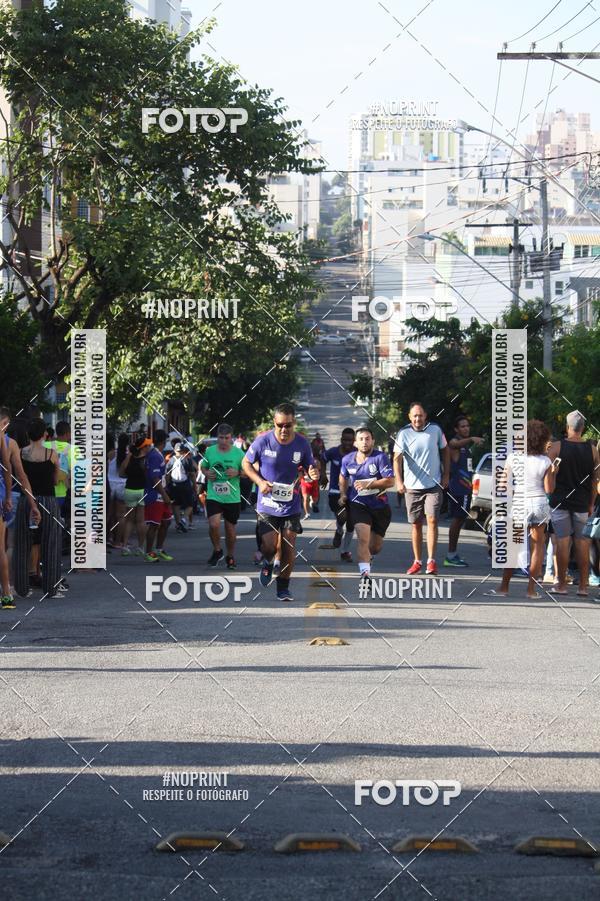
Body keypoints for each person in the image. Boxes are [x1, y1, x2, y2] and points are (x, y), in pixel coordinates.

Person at [242, 403, 318, 602]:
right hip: (267, 503)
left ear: (294, 423)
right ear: (274, 423)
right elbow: (245, 463)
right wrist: (259, 482)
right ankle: (267, 562)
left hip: (291, 504)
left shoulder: (302, 444)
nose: (284, 429)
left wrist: (312, 474)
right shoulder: (262, 441)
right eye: (280, 425)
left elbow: (309, 468)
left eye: (288, 425)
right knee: (268, 546)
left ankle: (283, 587)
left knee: (288, 544)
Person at [485, 420, 559, 599]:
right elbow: (549, 490)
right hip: (540, 503)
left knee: (513, 547)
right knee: (537, 547)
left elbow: (503, 485)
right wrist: (554, 472)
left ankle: (504, 588)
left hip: (520, 503)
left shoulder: (513, 458)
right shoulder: (546, 461)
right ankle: (531, 590)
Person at [547, 411, 600, 596]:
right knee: (582, 542)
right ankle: (583, 587)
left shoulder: (556, 447)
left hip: (559, 502)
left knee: (562, 542)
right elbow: (595, 480)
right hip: (582, 503)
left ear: (567, 427)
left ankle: (561, 585)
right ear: (583, 428)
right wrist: (591, 503)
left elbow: (547, 475)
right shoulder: (592, 450)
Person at [394, 402, 449, 576]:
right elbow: (396, 459)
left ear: (425, 415)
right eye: (414, 416)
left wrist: (446, 475)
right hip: (412, 487)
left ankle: (431, 561)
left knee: (432, 520)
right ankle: (417, 561)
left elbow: (445, 451)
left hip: (433, 485)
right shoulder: (403, 433)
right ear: (409, 417)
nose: (418, 418)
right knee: (416, 524)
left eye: (420, 415)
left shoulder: (435, 430)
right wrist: (399, 481)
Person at [13, 419, 64, 598]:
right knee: (51, 542)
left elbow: (17, 476)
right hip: (49, 500)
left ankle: (21, 588)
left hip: (26, 500)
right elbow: (56, 479)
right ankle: (51, 588)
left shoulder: (19, 453)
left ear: (28, 434)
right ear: (45, 434)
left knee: (22, 542)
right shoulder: (51, 454)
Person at [338, 427, 394, 581]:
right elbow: (343, 478)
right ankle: (365, 574)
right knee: (363, 538)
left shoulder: (380, 457)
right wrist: (343, 494)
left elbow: (390, 481)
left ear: (373, 441)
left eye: (368, 438)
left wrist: (368, 484)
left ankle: (369, 558)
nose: (364, 442)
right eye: (361, 439)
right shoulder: (347, 460)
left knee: (374, 547)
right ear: (356, 442)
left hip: (380, 507)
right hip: (358, 504)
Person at [0, 408, 41, 606]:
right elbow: (18, 475)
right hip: (3, 497)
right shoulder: (9, 443)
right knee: (4, 546)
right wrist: (31, 504)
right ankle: (7, 592)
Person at [200, 424, 246, 568]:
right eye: (221, 438)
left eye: (226, 438)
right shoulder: (210, 451)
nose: (223, 441)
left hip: (232, 497)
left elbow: (248, 472)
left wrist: (238, 473)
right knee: (213, 524)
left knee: (230, 529)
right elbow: (203, 466)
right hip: (214, 495)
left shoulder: (239, 454)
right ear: (217, 437)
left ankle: (230, 555)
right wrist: (206, 473)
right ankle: (217, 550)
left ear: (231, 438)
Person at [444, 415, 484, 567]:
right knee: (457, 520)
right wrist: (472, 438)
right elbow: (452, 444)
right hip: (458, 489)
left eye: (467, 425)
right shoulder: (455, 443)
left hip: (465, 488)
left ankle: (452, 554)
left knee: (459, 520)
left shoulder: (465, 447)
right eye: (462, 426)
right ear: (456, 429)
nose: (466, 428)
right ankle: (450, 555)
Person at [321, 427, 356, 561]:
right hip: (335, 492)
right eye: (345, 440)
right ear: (341, 439)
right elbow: (323, 459)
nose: (347, 443)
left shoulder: (357, 453)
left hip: (353, 493)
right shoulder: (333, 452)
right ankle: (339, 530)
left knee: (352, 523)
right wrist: (323, 475)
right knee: (342, 517)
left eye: (350, 440)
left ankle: (345, 551)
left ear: (354, 441)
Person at [143, 430, 173, 562]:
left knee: (166, 521)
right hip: (156, 494)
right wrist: (164, 494)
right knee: (154, 524)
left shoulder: (159, 454)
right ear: (163, 441)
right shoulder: (155, 455)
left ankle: (159, 549)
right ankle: (149, 553)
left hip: (162, 493)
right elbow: (155, 478)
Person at [119, 437, 151, 556]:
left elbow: (121, 473)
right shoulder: (147, 460)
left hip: (129, 490)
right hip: (142, 491)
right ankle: (140, 547)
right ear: (143, 447)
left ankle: (125, 546)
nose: (149, 447)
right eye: (148, 445)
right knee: (141, 521)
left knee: (129, 520)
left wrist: (129, 456)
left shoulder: (130, 458)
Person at [167, 440, 197, 533]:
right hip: (185, 484)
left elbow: (167, 474)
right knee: (190, 504)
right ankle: (183, 519)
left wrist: (168, 485)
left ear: (175, 450)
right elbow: (192, 474)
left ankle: (178, 524)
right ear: (183, 450)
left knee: (176, 505)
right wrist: (194, 485)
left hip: (174, 485)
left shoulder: (171, 460)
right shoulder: (187, 459)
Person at [310, 433, 326, 513]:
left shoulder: (321, 442)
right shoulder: (313, 442)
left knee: (317, 488)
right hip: (312, 464)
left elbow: (324, 450)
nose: (318, 437)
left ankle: (315, 503)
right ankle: (312, 501)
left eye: (319, 436)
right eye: (317, 436)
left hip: (319, 463)